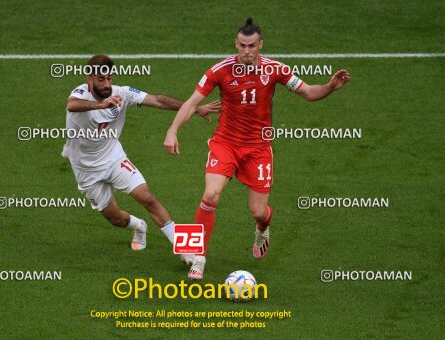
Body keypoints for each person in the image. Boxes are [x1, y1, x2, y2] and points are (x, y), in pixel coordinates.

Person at [164, 18, 350, 279]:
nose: (247, 51)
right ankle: (198, 257)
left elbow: (308, 92)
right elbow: (191, 102)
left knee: (257, 211)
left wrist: (330, 87)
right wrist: (173, 130)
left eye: (252, 46)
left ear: (260, 45)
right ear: (235, 44)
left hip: (259, 149)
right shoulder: (220, 70)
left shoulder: (276, 70)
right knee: (210, 195)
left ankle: (263, 225)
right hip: (225, 143)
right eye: (242, 45)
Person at [62, 54, 220, 258]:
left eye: (109, 78)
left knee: (148, 198)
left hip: (113, 158)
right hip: (85, 169)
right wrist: (102, 105)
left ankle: (186, 250)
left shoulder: (122, 93)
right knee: (115, 219)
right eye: (101, 79)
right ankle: (139, 226)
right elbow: (71, 105)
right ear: (89, 79)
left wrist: (194, 107)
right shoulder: (80, 94)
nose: (107, 84)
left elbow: (159, 101)